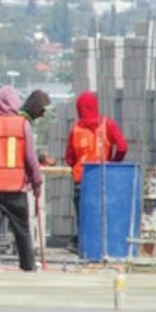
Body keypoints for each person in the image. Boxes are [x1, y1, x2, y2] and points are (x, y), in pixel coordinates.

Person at [0, 85, 42, 271]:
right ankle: (28, 266)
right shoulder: (22, 124)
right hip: (15, 188)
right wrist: (36, 182)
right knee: (22, 230)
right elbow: (31, 159)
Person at [64, 90, 128, 242]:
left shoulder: (75, 130)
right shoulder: (107, 124)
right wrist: (113, 164)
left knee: (84, 219)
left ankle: (85, 247)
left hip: (82, 180)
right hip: (102, 178)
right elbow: (122, 147)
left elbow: (69, 158)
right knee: (103, 217)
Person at [19, 89, 55, 165]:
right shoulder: (22, 122)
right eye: (42, 111)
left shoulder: (25, 120)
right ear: (36, 107)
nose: (42, 115)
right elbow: (24, 153)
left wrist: (40, 159)